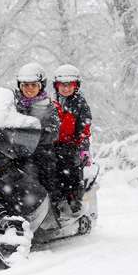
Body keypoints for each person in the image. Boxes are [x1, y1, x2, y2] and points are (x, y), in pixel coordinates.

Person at [0, 62, 60, 230]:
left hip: (39, 151)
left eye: (33, 85)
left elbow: (53, 130)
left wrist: (39, 134)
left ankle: (46, 211)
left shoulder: (48, 107)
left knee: (34, 171)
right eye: (25, 85)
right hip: (12, 151)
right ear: (20, 86)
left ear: (41, 86)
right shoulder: (12, 105)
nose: (29, 88)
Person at [52, 64, 92, 215]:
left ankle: (73, 198)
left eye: (70, 85)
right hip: (51, 144)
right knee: (46, 167)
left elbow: (84, 127)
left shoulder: (80, 104)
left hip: (70, 145)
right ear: (56, 86)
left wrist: (82, 147)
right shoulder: (51, 102)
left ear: (76, 86)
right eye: (62, 85)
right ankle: (52, 199)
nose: (66, 88)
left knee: (69, 169)